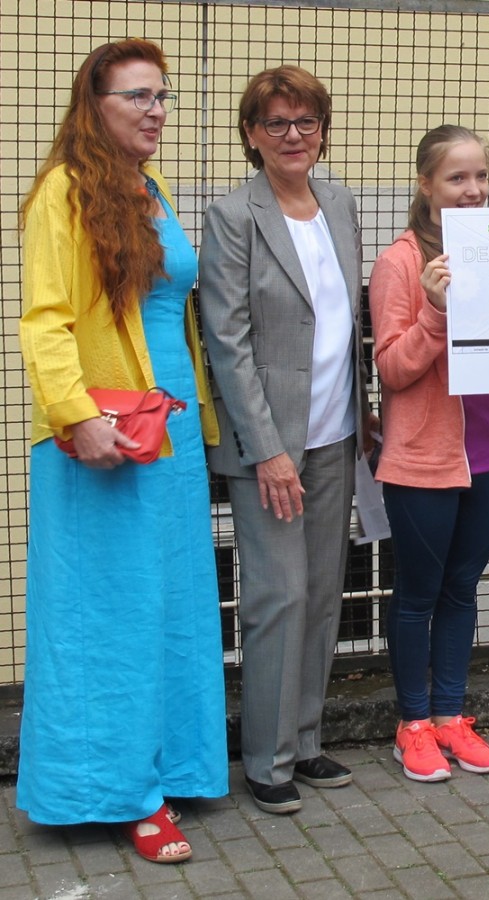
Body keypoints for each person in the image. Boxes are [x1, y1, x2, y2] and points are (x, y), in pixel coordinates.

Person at [17, 39, 227, 863]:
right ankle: (117, 794)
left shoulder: (150, 188)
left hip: (164, 434)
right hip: (101, 439)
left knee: (170, 607)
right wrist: (76, 416)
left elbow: (171, 313)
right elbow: (47, 319)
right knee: (108, 616)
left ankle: (175, 768)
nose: (156, 110)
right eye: (137, 96)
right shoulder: (63, 194)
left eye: (162, 96)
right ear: (93, 106)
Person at [198, 66, 372, 812]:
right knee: (278, 595)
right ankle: (264, 760)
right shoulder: (232, 215)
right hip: (271, 444)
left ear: (322, 130)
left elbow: (346, 323)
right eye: (276, 124)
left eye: (305, 122)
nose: (293, 136)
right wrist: (267, 448)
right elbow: (226, 340)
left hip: (335, 434)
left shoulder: (339, 203)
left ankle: (304, 742)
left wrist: (362, 415)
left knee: (324, 595)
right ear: (252, 135)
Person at [369, 125, 489, 783]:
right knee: (419, 595)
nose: (473, 191)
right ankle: (412, 726)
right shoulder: (401, 262)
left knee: (462, 590)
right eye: (456, 179)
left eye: (479, 177)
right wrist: (436, 312)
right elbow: (391, 368)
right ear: (425, 185)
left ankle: (450, 718)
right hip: (425, 461)